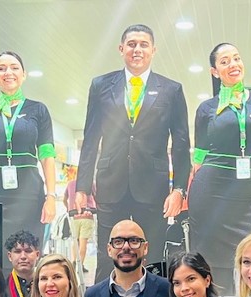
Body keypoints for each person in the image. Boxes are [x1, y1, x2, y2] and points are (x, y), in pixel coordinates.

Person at [77, 23, 191, 266]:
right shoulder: (101, 86)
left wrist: (179, 190)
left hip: (153, 186)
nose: (137, 49)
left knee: (151, 255)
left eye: (143, 44)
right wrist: (82, 187)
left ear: (153, 50)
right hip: (110, 183)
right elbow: (90, 139)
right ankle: (107, 292)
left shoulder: (171, 90)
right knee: (108, 255)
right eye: (131, 44)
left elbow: (181, 144)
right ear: (121, 49)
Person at [188, 42, 251, 296]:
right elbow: (198, 159)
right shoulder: (206, 108)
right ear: (214, 71)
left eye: (236, 58)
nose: (233, 64)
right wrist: (186, 195)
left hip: (249, 191)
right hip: (210, 194)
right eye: (224, 61)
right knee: (210, 262)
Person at [0, 51, 58, 251]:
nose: (8, 72)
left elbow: (47, 157)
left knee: (27, 253)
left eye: (14, 67)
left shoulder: (38, 110)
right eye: (1, 69)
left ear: (24, 74)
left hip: (29, 196)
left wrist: (51, 197)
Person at [64, 165, 96, 274]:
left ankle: (74, 262)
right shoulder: (90, 184)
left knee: (75, 240)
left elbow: (65, 199)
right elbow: (96, 197)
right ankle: (80, 265)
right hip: (87, 215)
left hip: (74, 216)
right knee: (83, 242)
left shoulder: (70, 184)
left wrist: (69, 208)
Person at [5, 229, 41, 297]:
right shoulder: (1, 288)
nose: (23, 256)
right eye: (17, 251)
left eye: (28, 251)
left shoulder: (46, 284)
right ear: (10, 256)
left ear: (37, 255)